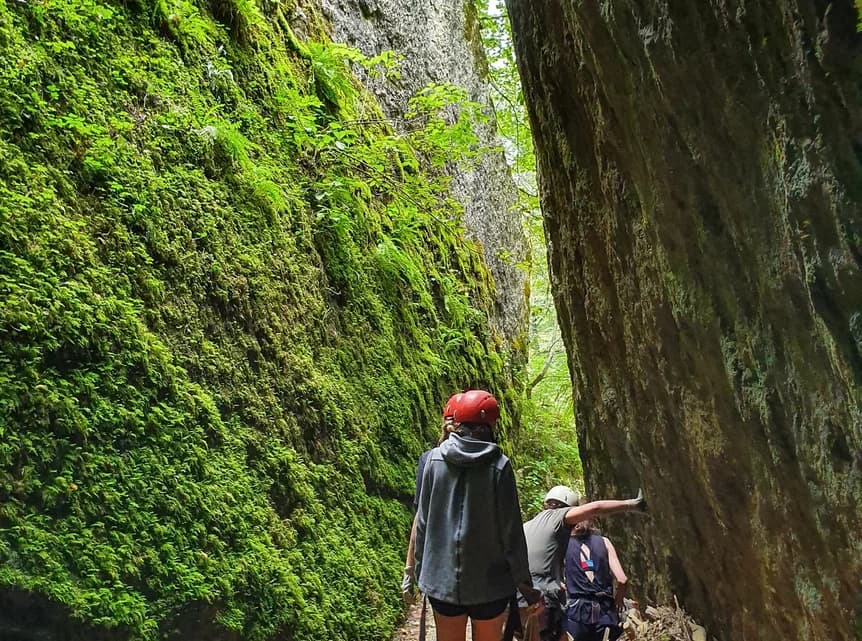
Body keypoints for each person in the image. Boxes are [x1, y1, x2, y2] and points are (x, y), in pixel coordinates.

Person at [414, 389, 543, 641]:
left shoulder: (432, 461)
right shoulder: (500, 466)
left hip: (442, 582)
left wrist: (421, 572)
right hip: (490, 586)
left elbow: (423, 524)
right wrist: (527, 589)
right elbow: (512, 535)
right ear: (490, 425)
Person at [518, 487, 645, 641]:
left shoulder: (526, 527)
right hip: (548, 601)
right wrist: (632, 504)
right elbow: (595, 508)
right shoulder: (559, 518)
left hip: (523, 598)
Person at [401, 394, 460, 605]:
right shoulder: (494, 461)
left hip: (438, 566)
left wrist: (410, 570)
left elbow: (421, 517)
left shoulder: (429, 459)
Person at [563, 514, 629, 641]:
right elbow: (622, 580)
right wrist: (618, 601)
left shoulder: (563, 544)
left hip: (576, 613)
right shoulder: (604, 541)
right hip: (604, 612)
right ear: (592, 521)